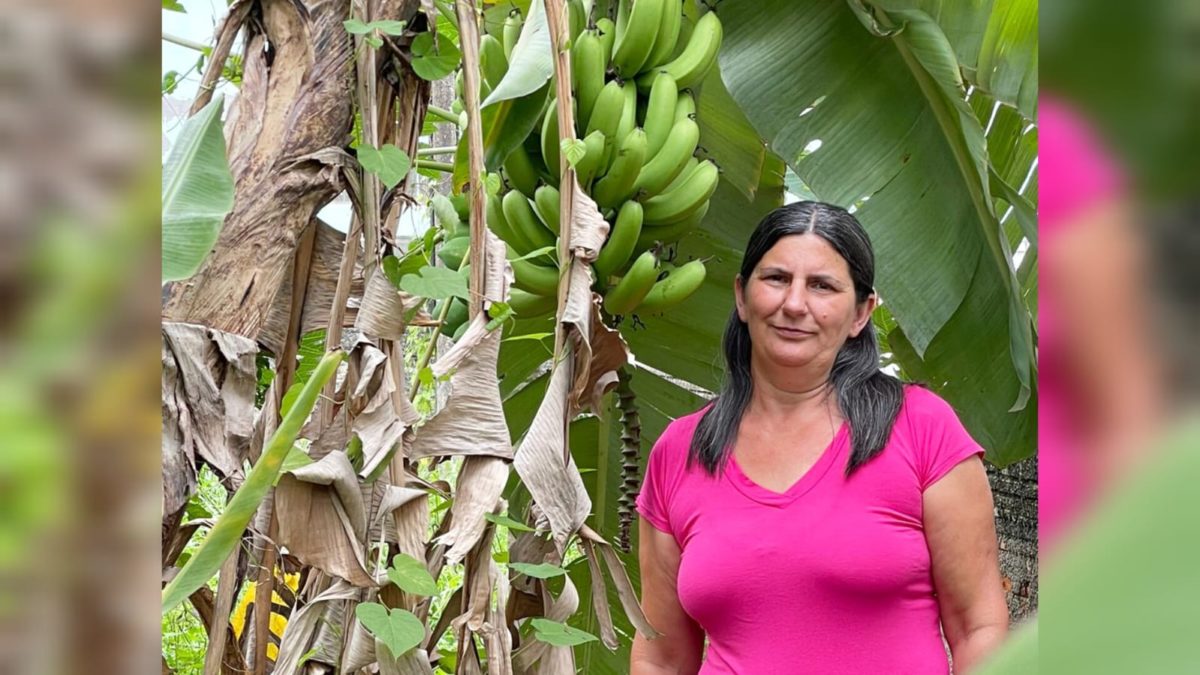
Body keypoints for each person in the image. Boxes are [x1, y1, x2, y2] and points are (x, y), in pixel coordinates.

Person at [630, 202, 1009, 674]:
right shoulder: (679, 453)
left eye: (822, 286)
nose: (794, 304)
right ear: (742, 297)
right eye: (775, 279)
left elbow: (979, 629)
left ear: (860, 313)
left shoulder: (922, 427)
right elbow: (662, 656)